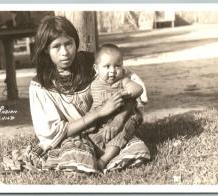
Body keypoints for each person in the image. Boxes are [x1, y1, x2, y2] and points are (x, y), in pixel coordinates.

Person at [29, 15, 150, 173]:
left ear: (75, 42)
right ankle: (96, 159)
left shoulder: (94, 63)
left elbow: (133, 89)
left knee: (137, 150)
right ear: (46, 49)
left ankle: (104, 157)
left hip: (109, 128)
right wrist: (99, 112)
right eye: (56, 46)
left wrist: (118, 120)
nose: (65, 52)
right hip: (75, 135)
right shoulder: (41, 84)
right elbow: (52, 132)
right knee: (77, 156)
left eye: (69, 44)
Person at [86, 43, 146, 170]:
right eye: (107, 66)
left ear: (123, 67)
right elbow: (93, 105)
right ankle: (100, 151)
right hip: (102, 120)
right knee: (91, 136)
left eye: (117, 66)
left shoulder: (122, 81)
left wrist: (125, 93)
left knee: (120, 133)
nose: (112, 71)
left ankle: (104, 160)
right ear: (96, 69)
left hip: (126, 117)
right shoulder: (93, 84)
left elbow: (138, 89)